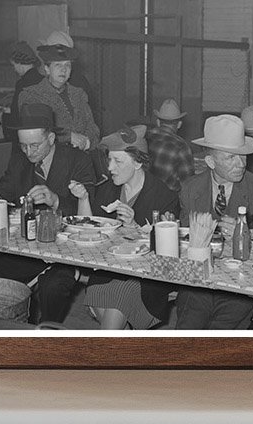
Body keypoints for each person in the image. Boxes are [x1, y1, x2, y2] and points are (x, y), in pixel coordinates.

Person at [0, 103, 96, 323]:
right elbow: (5, 193)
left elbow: (90, 213)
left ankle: (48, 331)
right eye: (23, 146)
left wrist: (56, 200)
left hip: (62, 253)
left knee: (54, 286)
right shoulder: (19, 159)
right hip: (26, 251)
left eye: (34, 145)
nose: (28, 152)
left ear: (51, 138)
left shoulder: (78, 160)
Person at [173, 115, 253, 330]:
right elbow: (186, 242)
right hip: (198, 283)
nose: (241, 164)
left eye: (243, 156)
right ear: (211, 162)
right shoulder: (190, 189)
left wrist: (243, 236)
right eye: (231, 157)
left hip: (241, 286)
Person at [70, 125, 179, 330]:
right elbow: (91, 231)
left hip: (145, 278)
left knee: (116, 303)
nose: (110, 168)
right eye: (109, 160)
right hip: (108, 271)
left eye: (118, 161)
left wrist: (135, 226)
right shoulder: (108, 189)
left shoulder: (164, 196)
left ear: (138, 163)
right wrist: (83, 198)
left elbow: (167, 256)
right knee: (109, 305)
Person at [19, 39, 101, 150]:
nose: (64, 70)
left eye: (68, 65)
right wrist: (68, 137)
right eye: (58, 65)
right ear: (47, 69)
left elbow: (93, 128)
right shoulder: (32, 95)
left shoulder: (79, 94)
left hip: (82, 156)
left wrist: (86, 143)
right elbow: (35, 134)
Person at [145, 98, 194, 192]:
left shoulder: (144, 137)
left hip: (143, 195)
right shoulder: (181, 146)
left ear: (158, 122)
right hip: (167, 197)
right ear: (179, 124)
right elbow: (188, 183)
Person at [4, 40, 43, 134]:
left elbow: (16, 116)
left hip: (27, 133)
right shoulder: (43, 79)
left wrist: (4, 115)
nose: (14, 69)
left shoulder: (22, 84)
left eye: (14, 65)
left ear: (20, 63)